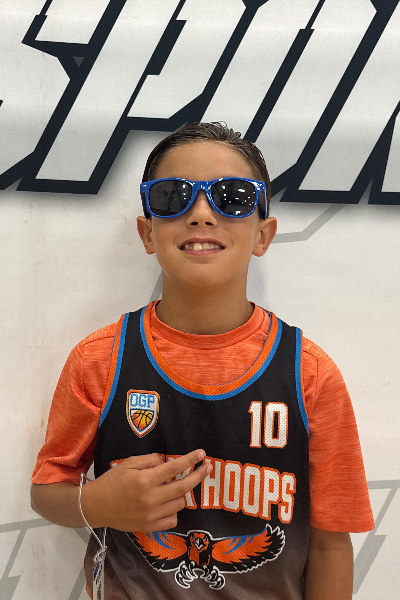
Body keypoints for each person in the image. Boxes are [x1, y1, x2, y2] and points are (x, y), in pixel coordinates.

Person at [31, 122, 374, 600]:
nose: (200, 214)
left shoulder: (309, 375)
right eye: (173, 196)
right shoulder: (100, 359)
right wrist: (95, 504)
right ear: (147, 232)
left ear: (263, 235)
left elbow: (331, 544)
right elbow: (46, 491)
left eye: (232, 198)